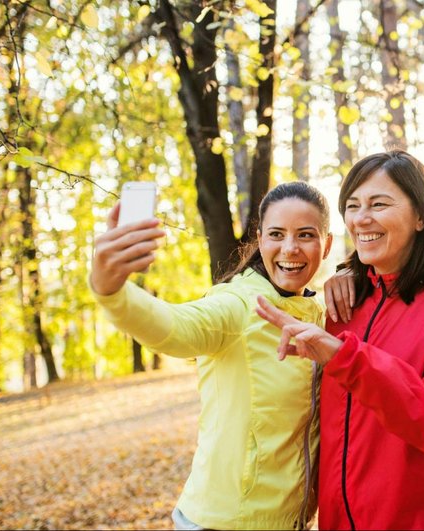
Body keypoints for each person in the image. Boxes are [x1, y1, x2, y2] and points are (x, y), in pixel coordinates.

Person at [256, 150, 424, 530]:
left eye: (378, 204)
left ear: (421, 215)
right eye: (352, 206)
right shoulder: (343, 303)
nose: (361, 218)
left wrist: (345, 357)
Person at [89, 181, 333, 530]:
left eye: (305, 235)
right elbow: (174, 327)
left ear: (326, 245)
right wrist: (111, 291)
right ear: (261, 239)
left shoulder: (320, 314)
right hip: (224, 521)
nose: (290, 248)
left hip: (291, 522)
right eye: (277, 234)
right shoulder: (237, 306)